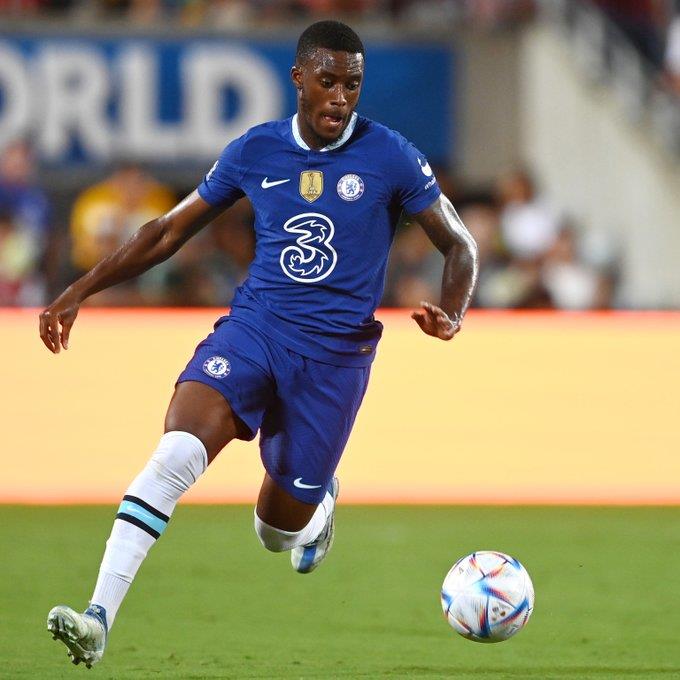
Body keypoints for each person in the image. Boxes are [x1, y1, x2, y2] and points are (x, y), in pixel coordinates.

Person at [40, 20, 478, 668]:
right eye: (328, 81)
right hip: (256, 331)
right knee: (175, 452)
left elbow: (459, 244)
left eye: (352, 85)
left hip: (334, 362)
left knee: (276, 532)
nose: (340, 98)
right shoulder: (256, 149)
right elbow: (167, 232)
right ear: (299, 78)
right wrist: (80, 289)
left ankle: (315, 507)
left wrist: (454, 312)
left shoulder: (391, 156)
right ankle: (98, 618)